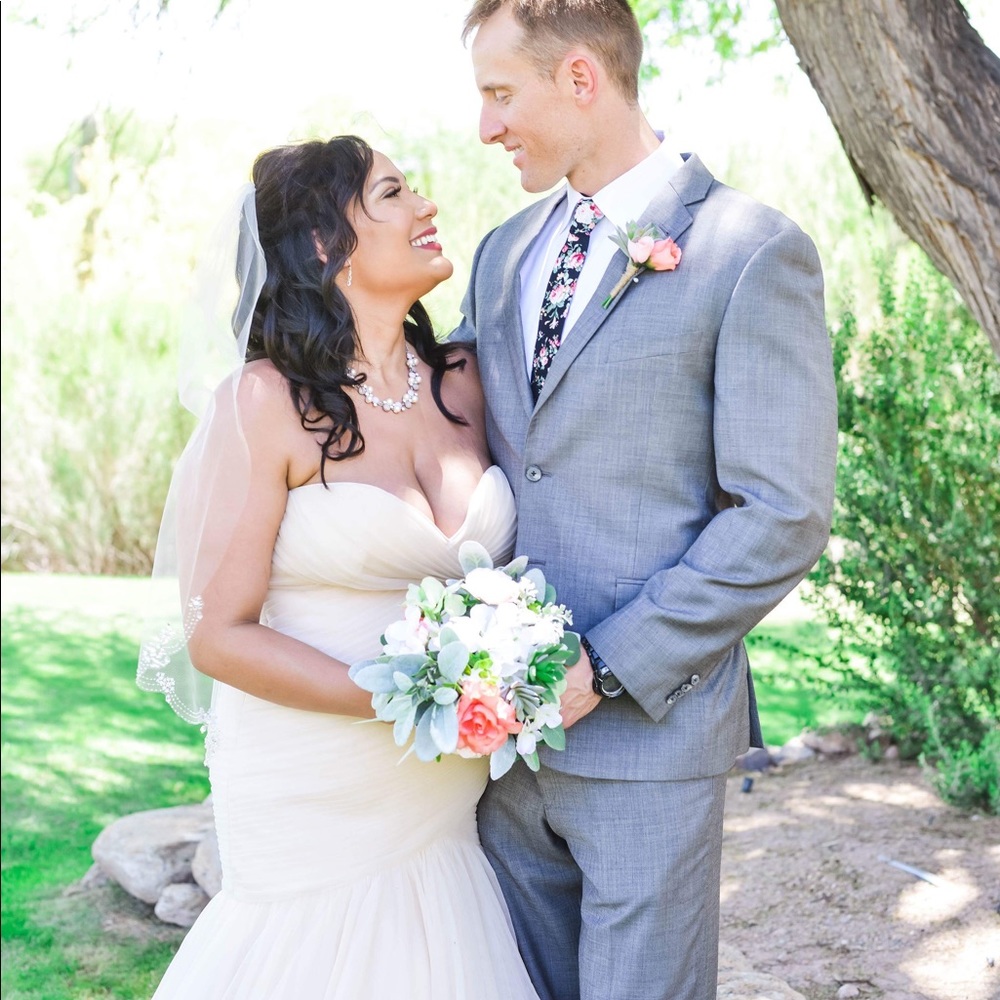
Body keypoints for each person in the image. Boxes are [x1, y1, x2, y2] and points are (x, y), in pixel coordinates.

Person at [455, 3, 838, 999]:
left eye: (500, 94)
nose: (485, 127)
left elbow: (781, 513)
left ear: (580, 78)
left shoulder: (750, 250)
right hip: (496, 751)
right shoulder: (500, 255)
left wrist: (607, 664)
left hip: (647, 742)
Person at [137, 135, 540, 999]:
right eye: (394, 193)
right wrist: (421, 697)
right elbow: (217, 635)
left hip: (440, 803)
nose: (427, 206)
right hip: (310, 778)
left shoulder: (465, 382)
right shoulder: (264, 401)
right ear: (325, 245)